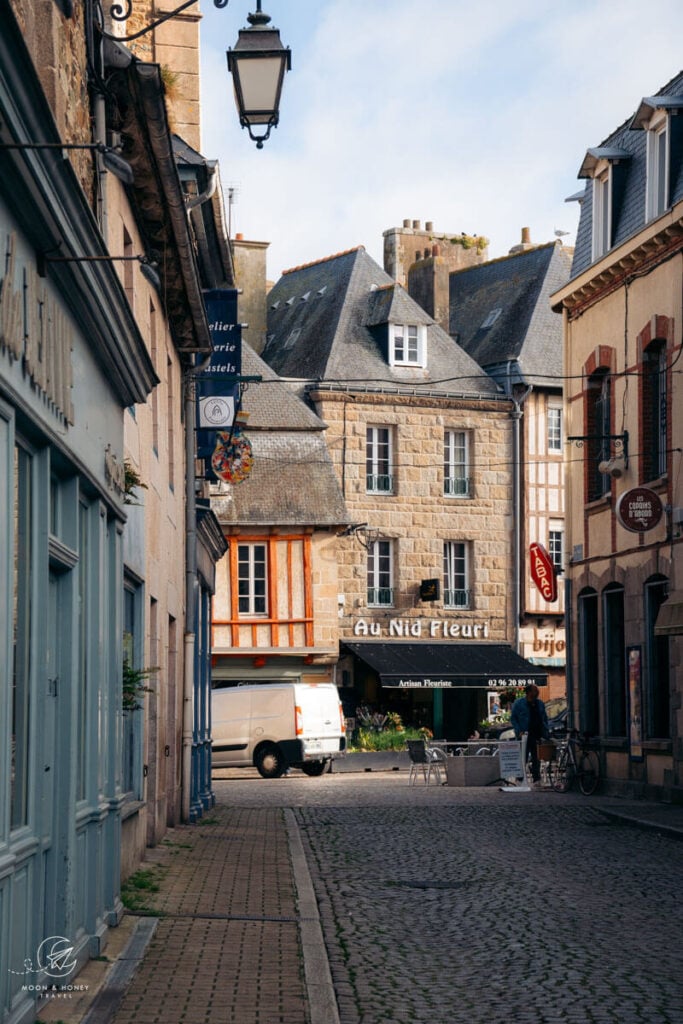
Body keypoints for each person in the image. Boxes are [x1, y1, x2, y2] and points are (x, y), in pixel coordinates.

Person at [510, 684, 549, 787]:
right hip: (525, 734)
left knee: (537, 758)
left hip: (537, 734)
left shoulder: (540, 703)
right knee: (523, 757)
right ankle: (520, 779)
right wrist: (519, 731)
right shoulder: (519, 703)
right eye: (535, 691)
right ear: (529, 692)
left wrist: (545, 730)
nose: (537, 692)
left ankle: (536, 779)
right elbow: (513, 718)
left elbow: (544, 717)